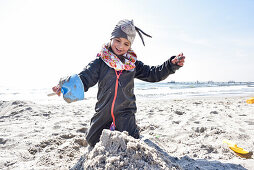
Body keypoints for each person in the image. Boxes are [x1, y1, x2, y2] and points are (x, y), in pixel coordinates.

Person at [52, 19, 185, 147]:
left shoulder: (133, 64)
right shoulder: (100, 62)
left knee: (131, 141)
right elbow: (84, 79)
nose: (121, 46)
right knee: (92, 140)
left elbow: (153, 74)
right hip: (103, 111)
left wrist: (170, 65)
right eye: (118, 40)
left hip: (125, 112)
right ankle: (103, 128)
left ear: (130, 46)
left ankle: (131, 127)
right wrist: (64, 87)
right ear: (111, 38)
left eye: (126, 44)